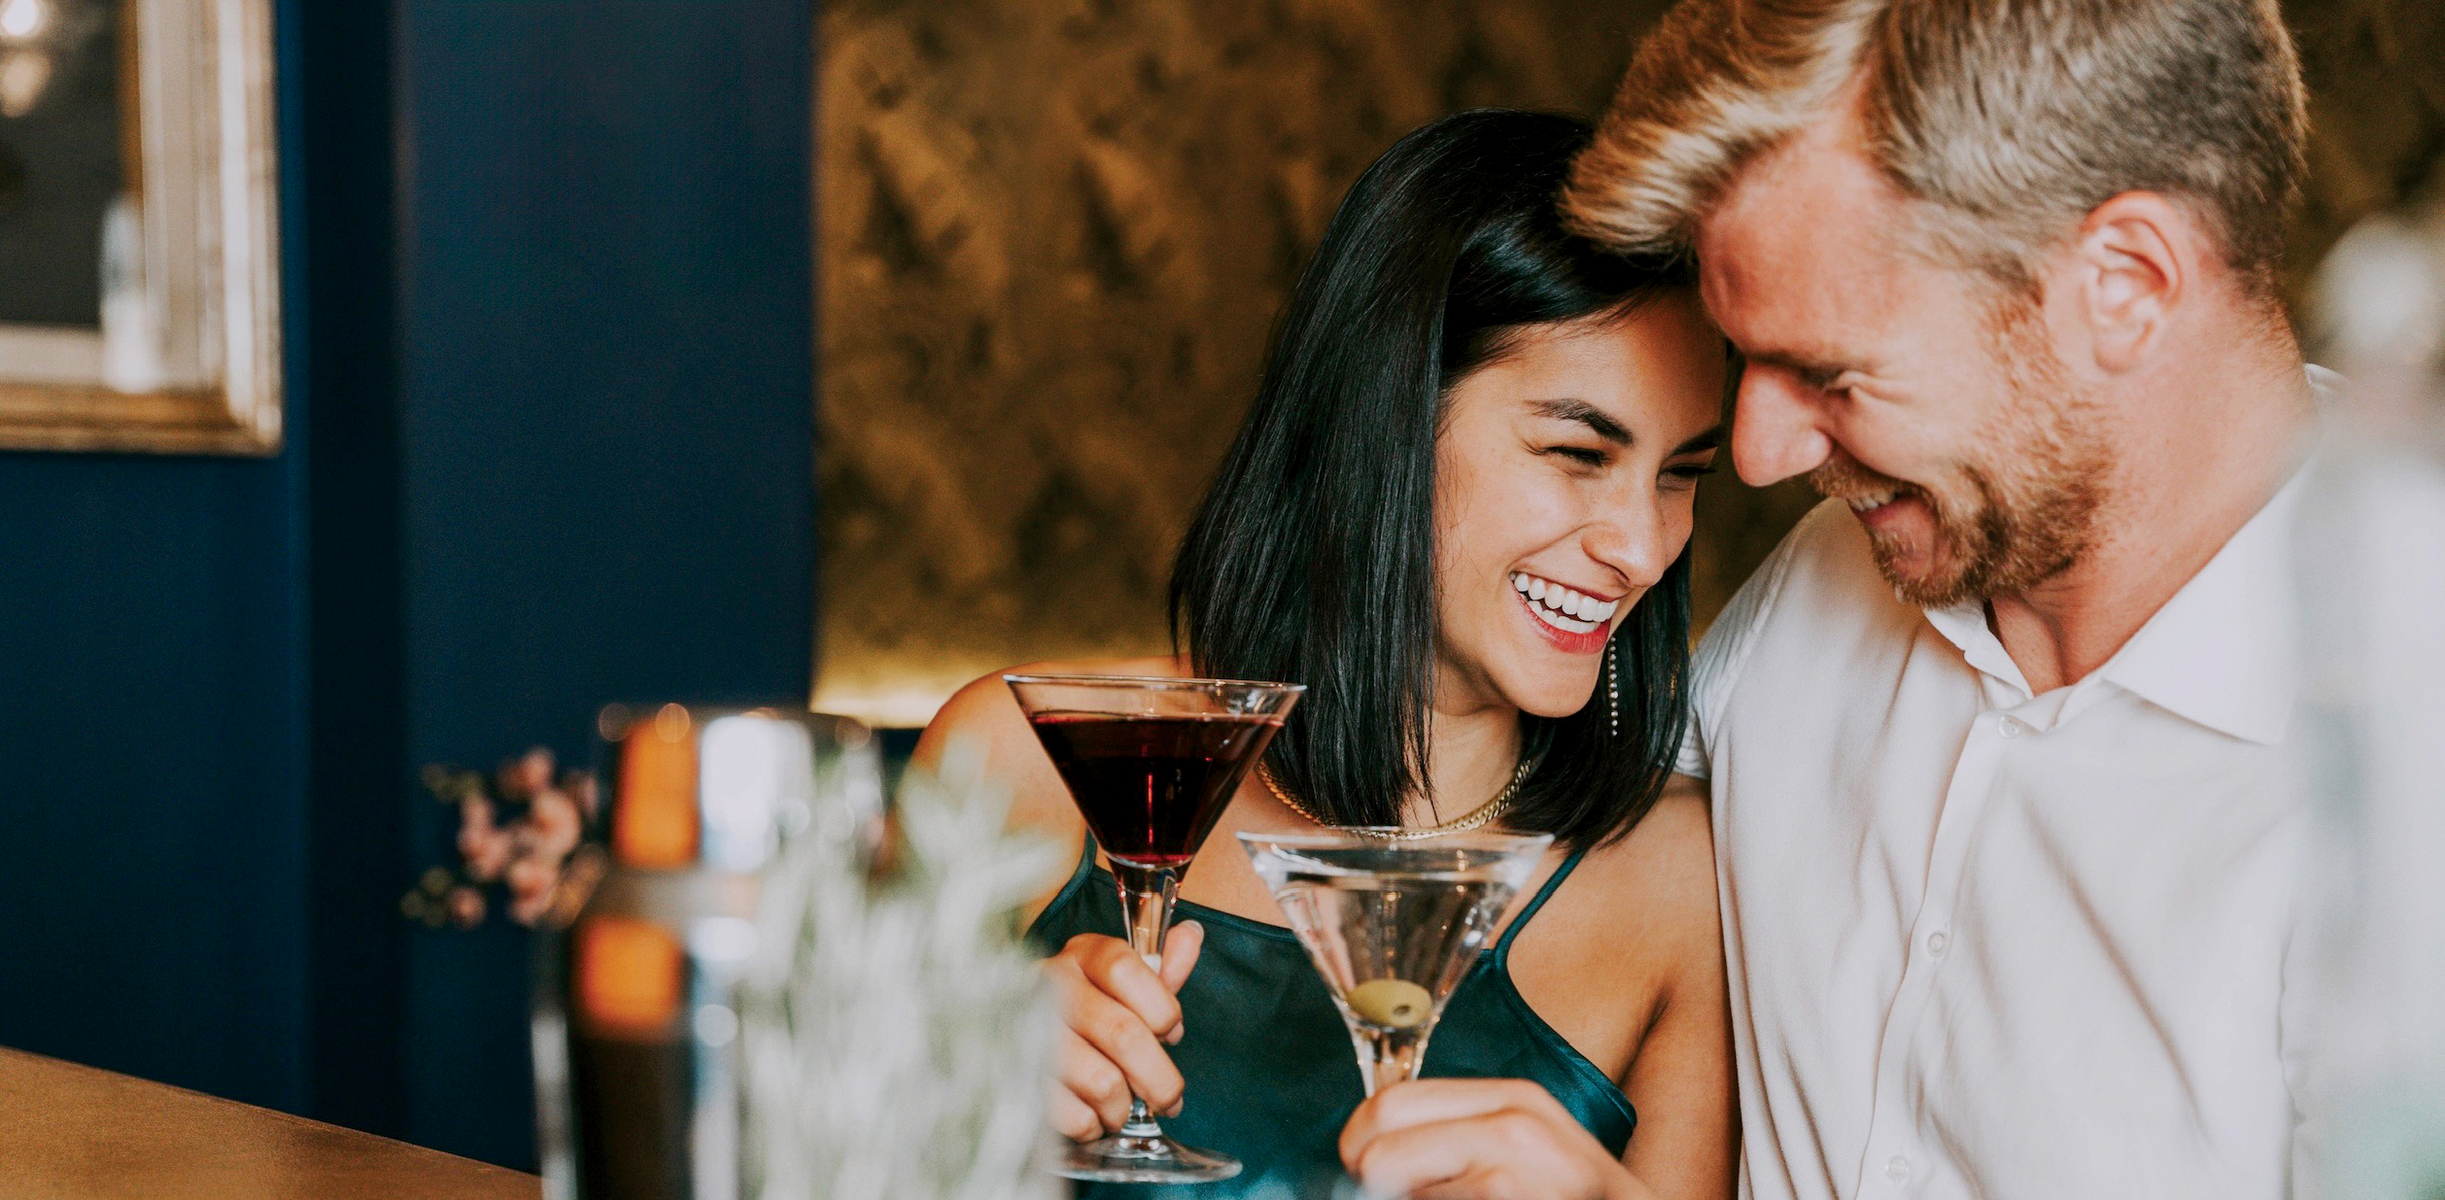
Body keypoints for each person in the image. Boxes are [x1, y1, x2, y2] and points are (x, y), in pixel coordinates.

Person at [1340, 1, 2350, 1198]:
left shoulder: (2394, 791)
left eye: (1831, 372)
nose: (1758, 454)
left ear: (2123, 286)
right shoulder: (1829, 585)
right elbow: (1484, 819)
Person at [915, 109, 1738, 1199]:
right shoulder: (1033, 764)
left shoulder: (1678, 884)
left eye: (1683, 473)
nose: (1642, 547)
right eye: (1580, 453)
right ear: (1384, 425)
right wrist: (949, 1088)